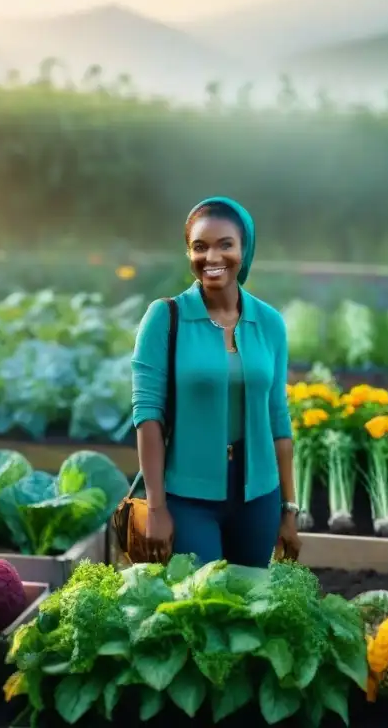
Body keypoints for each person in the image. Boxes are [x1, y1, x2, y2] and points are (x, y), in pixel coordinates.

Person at [130, 196, 301, 567]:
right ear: (189, 253)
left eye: (226, 245)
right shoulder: (164, 318)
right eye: (200, 247)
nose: (212, 258)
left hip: (259, 496)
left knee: (250, 606)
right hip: (188, 497)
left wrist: (288, 508)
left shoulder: (269, 323)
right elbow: (147, 417)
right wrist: (156, 506)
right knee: (198, 601)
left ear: (245, 249)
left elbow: (278, 418)